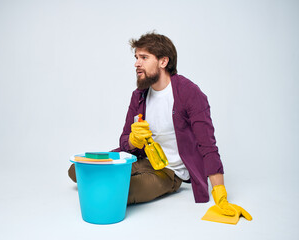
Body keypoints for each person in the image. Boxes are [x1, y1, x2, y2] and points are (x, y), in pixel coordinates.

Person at [69, 32, 252, 224]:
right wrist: (133, 140)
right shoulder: (139, 95)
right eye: (136, 58)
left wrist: (220, 194)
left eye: (144, 58)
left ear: (163, 62)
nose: (136, 64)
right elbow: (124, 141)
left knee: (117, 189)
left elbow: (207, 145)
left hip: (169, 171)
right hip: (141, 159)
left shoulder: (190, 94)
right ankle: (97, 183)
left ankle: (97, 186)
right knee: (77, 169)